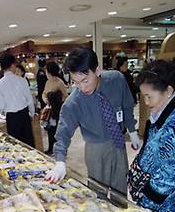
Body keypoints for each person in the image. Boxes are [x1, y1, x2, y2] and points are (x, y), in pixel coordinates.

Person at [45, 47, 140, 194]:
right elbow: (62, 134)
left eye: (85, 80)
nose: (82, 87)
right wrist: (60, 162)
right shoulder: (73, 103)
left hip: (119, 142)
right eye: (76, 82)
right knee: (98, 192)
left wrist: (132, 131)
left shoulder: (116, 80)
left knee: (120, 189)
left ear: (97, 71)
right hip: (96, 148)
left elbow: (127, 105)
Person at [129, 59, 175, 212]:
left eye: (148, 96)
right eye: (142, 96)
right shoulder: (165, 110)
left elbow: (168, 179)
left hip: (169, 208)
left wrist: (143, 205)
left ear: (168, 91)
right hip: (156, 203)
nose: (145, 102)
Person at [0, 54, 36, 147]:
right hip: (24, 116)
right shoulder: (22, 80)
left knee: (17, 146)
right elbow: (30, 100)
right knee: (29, 144)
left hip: (11, 118)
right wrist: (32, 114)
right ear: (12, 65)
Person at [41, 61, 68, 154]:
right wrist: (46, 100)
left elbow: (65, 96)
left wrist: (57, 101)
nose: (45, 73)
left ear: (49, 72)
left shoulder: (60, 82)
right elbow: (44, 94)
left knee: (58, 131)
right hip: (50, 109)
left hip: (58, 110)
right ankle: (50, 148)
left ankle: (61, 149)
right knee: (50, 130)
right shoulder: (48, 82)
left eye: (46, 71)